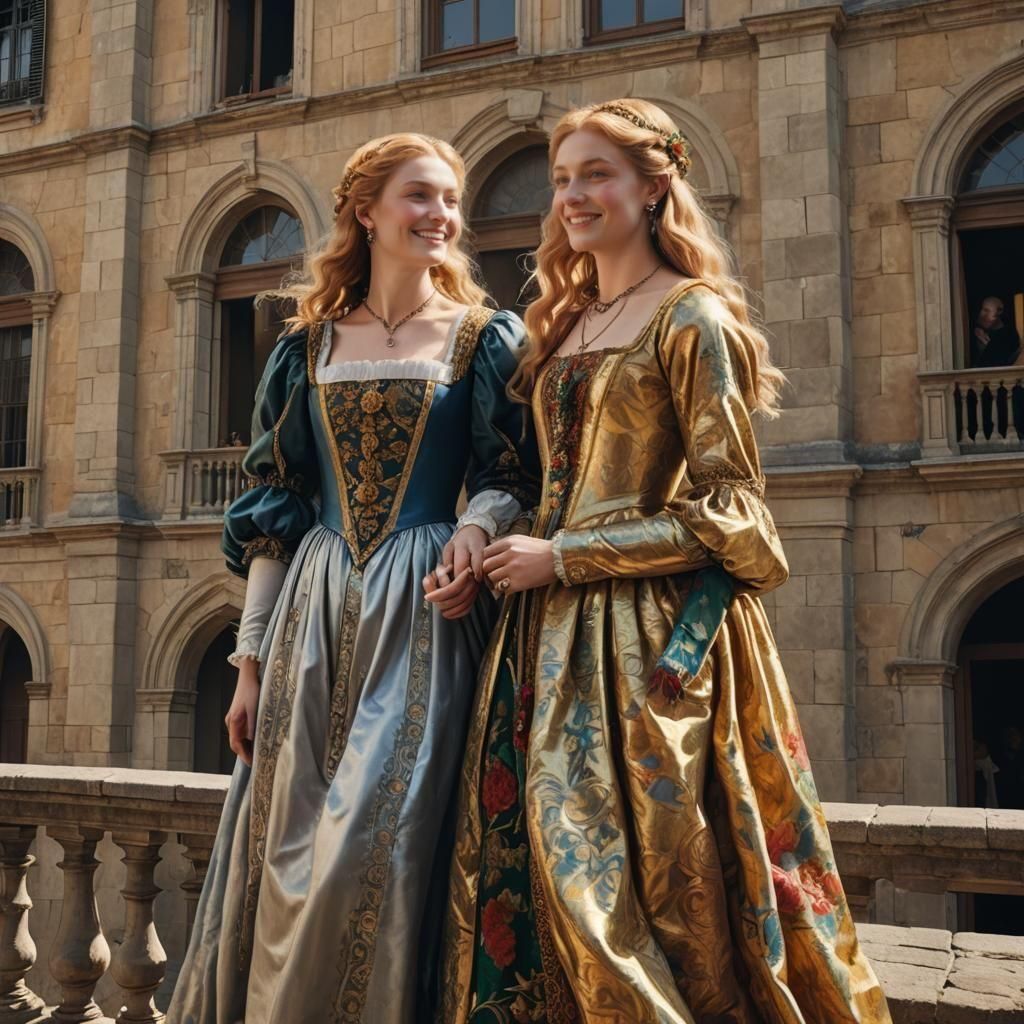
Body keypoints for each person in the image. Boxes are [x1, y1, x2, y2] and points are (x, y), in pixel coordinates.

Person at [439, 100, 892, 1023]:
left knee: (629, 894)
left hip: (651, 646)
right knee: (529, 875)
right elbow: (546, 480)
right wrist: (485, 537)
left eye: (595, 175)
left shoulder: (694, 318)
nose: (572, 196)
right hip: (539, 640)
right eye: (562, 179)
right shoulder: (564, 321)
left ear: (653, 188)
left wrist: (566, 555)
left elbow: (738, 514)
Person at [168, 133, 538, 1024]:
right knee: (288, 841)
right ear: (365, 212)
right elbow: (278, 508)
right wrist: (249, 662)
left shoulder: (485, 340)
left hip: (427, 612)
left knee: (387, 839)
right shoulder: (305, 348)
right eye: (421, 195)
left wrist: (476, 528)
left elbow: (515, 473)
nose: (442, 215)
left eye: (451, 199)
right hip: (313, 613)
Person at [972, 296, 1021, 367]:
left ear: (999, 312)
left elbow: (992, 363)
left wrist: (985, 347)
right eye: (982, 310)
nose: (981, 314)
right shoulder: (981, 333)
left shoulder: (1007, 335)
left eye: (986, 310)